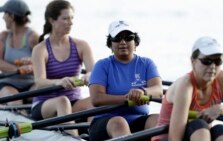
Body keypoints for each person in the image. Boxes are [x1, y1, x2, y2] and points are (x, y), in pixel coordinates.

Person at [152, 36, 223, 141]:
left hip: (199, 136)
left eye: (218, 61)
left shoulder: (222, 79)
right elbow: (175, 138)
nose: (212, 66)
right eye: (206, 61)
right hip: (169, 137)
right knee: (199, 125)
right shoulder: (185, 85)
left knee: (221, 130)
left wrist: (222, 109)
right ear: (193, 61)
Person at [88, 20, 163, 141]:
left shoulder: (147, 63)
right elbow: (96, 99)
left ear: (136, 42)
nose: (123, 42)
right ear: (110, 44)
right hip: (107, 123)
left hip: (138, 120)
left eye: (128, 37)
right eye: (117, 38)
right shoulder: (102, 65)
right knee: (120, 123)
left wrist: (143, 92)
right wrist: (127, 99)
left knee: (159, 120)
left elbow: (158, 90)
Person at [31, 0, 94, 136]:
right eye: (65, 18)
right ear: (52, 20)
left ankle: (94, 134)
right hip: (45, 104)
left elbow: (94, 71)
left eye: (71, 18)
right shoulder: (40, 49)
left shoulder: (81, 45)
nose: (70, 22)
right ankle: (74, 137)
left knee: (94, 100)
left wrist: (89, 76)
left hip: (74, 102)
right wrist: (58, 82)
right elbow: (39, 81)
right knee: (62, 101)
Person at [0, 0, 39, 105]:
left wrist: (33, 65)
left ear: (12, 16)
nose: (3, 17)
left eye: (5, 14)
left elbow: (46, 62)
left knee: (41, 97)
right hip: (7, 83)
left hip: (31, 83)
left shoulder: (33, 37)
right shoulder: (4, 36)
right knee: (15, 101)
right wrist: (18, 69)